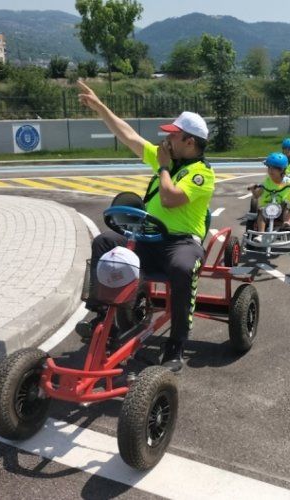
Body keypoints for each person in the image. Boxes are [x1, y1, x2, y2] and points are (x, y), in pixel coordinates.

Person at [75, 80, 215, 373]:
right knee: (104, 242)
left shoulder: (202, 174)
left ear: (189, 142)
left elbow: (170, 198)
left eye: (173, 137)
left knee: (180, 268)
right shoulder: (167, 158)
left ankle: (176, 343)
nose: (166, 141)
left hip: (181, 243)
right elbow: (128, 136)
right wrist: (100, 107)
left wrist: (163, 167)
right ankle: (103, 320)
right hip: (150, 238)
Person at [248, 152, 290, 232]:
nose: (270, 171)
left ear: (282, 170)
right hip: (268, 211)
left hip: (282, 212)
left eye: (274, 168)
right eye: (269, 168)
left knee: (287, 204)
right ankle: (261, 234)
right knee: (261, 211)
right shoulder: (266, 182)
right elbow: (256, 195)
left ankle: (286, 222)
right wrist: (253, 189)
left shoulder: (288, 182)